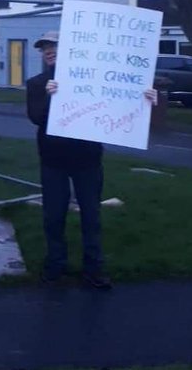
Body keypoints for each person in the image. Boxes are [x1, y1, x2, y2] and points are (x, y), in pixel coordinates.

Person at [26, 30, 157, 289]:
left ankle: (94, 268)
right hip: (53, 160)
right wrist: (50, 97)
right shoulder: (37, 83)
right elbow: (36, 117)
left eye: (53, 45)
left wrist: (145, 98)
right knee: (53, 216)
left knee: (91, 215)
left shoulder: (95, 78)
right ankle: (55, 266)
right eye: (44, 48)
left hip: (87, 159)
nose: (48, 51)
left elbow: (120, 100)